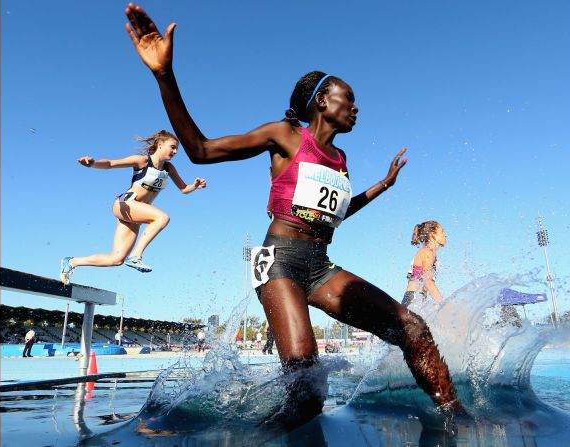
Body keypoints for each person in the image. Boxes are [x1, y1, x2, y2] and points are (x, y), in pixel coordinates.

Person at [124, 3, 466, 428]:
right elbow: (200, 150)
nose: (356, 107)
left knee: (412, 328)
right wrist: (164, 75)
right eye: (349, 99)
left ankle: (458, 419)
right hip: (279, 260)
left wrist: (382, 186)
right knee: (307, 382)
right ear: (323, 100)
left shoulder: (340, 158)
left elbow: (334, 216)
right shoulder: (285, 135)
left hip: (320, 266)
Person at [59, 129, 207, 285]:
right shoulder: (142, 161)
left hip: (135, 213)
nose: (175, 151)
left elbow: (183, 189)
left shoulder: (169, 169)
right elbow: (110, 164)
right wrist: (93, 163)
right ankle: (136, 256)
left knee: (116, 259)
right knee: (162, 218)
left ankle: (71, 262)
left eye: (177, 149)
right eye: (173, 147)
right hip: (125, 204)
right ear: (160, 144)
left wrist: (194, 186)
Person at [402, 221, 447, 307]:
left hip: (416, 296)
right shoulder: (427, 253)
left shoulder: (429, 252)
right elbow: (427, 281)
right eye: (442, 232)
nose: (445, 235)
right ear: (433, 234)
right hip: (414, 298)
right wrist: (444, 304)